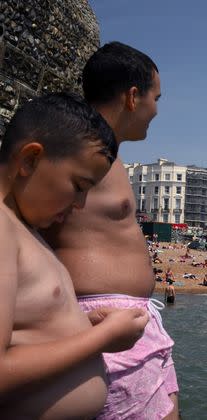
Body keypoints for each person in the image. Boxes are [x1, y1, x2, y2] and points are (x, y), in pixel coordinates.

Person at [40, 42, 180, 419]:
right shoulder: (73, 151)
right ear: (133, 97)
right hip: (104, 327)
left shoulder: (109, 157)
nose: (157, 110)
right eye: (157, 98)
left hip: (139, 327)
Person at [0, 93, 150, 419]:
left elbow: (28, 327)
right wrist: (102, 337)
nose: (80, 204)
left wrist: (83, 324)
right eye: (79, 185)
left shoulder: (27, 231)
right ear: (29, 160)